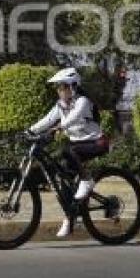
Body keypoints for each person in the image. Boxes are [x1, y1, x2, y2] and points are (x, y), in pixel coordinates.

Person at [28, 67, 108, 238]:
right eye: (58, 87)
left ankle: (87, 179)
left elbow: (74, 118)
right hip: (76, 146)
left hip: (96, 143)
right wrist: (30, 130)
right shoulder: (61, 105)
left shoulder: (83, 101)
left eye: (62, 86)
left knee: (68, 150)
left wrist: (59, 127)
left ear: (72, 86)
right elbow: (48, 119)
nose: (59, 90)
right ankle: (70, 217)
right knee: (61, 177)